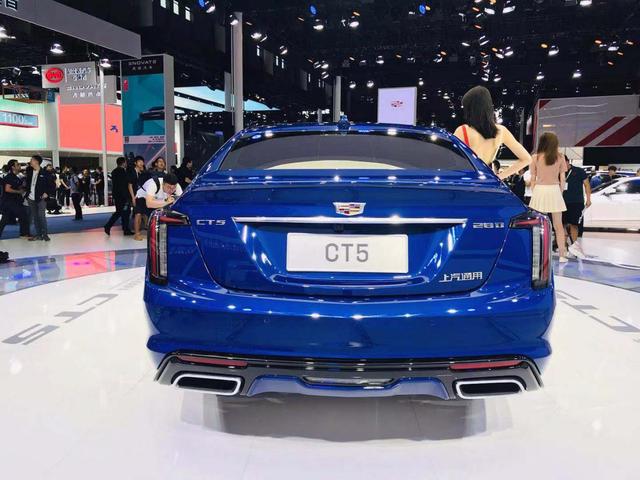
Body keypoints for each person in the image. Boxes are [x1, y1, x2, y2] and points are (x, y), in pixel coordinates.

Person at [454, 86, 532, 180]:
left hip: (468, 180)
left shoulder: (462, 131)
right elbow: (527, 159)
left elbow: (451, 160)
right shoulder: (501, 131)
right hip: (489, 181)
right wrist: (499, 177)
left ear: (471, 109)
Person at [529, 133, 568, 262]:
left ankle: (537, 254)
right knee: (558, 225)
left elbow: (532, 178)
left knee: (538, 224)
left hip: (539, 190)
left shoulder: (535, 157)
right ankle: (562, 255)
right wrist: (560, 192)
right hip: (554, 190)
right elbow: (562, 178)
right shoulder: (560, 157)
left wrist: (535, 191)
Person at [133, 173, 182, 241]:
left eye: (173, 188)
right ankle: (137, 234)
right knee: (138, 213)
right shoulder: (153, 184)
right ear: (163, 184)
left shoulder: (177, 186)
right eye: (169, 187)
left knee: (162, 213)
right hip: (143, 197)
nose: (171, 190)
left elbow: (181, 202)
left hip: (158, 199)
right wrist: (167, 202)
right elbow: (149, 204)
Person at [562, 155, 591, 259]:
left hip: (576, 202)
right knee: (562, 224)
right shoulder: (559, 172)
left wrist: (588, 199)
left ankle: (575, 246)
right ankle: (563, 246)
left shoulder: (579, 171)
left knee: (574, 224)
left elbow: (587, 185)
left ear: (567, 161)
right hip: (561, 202)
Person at [25, 155, 55, 241]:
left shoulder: (45, 173)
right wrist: (27, 194)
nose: (30, 161)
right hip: (31, 198)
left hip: (41, 198)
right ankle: (38, 235)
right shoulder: (30, 172)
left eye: (31, 160)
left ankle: (45, 234)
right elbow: (28, 185)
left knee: (41, 216)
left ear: (36, 162)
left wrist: (47, 193)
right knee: (35, 217)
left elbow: (52, 185)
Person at [104, 157, 134, 236]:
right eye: (126, 162)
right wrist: (127, 196)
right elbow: (123, 185)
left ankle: (124, 229)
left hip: (117, 195)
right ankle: (111, 226)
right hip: (123, 196)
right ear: (123, 163)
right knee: (124, 212)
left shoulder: (114, 171)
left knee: (120, 212)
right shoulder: (122, 172)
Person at [0, 159, 29, 238]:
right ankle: (24, 234)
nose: (19, 166)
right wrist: (19, 192)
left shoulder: (16, 177)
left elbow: (17, 186)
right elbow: (7, 189)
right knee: (23, 215)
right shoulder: (10, 177)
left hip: (11, 202)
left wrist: (23, 186)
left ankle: (24, 234)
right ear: (13, 167)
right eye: (17, 164)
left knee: (5, 219)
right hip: (11, 202)